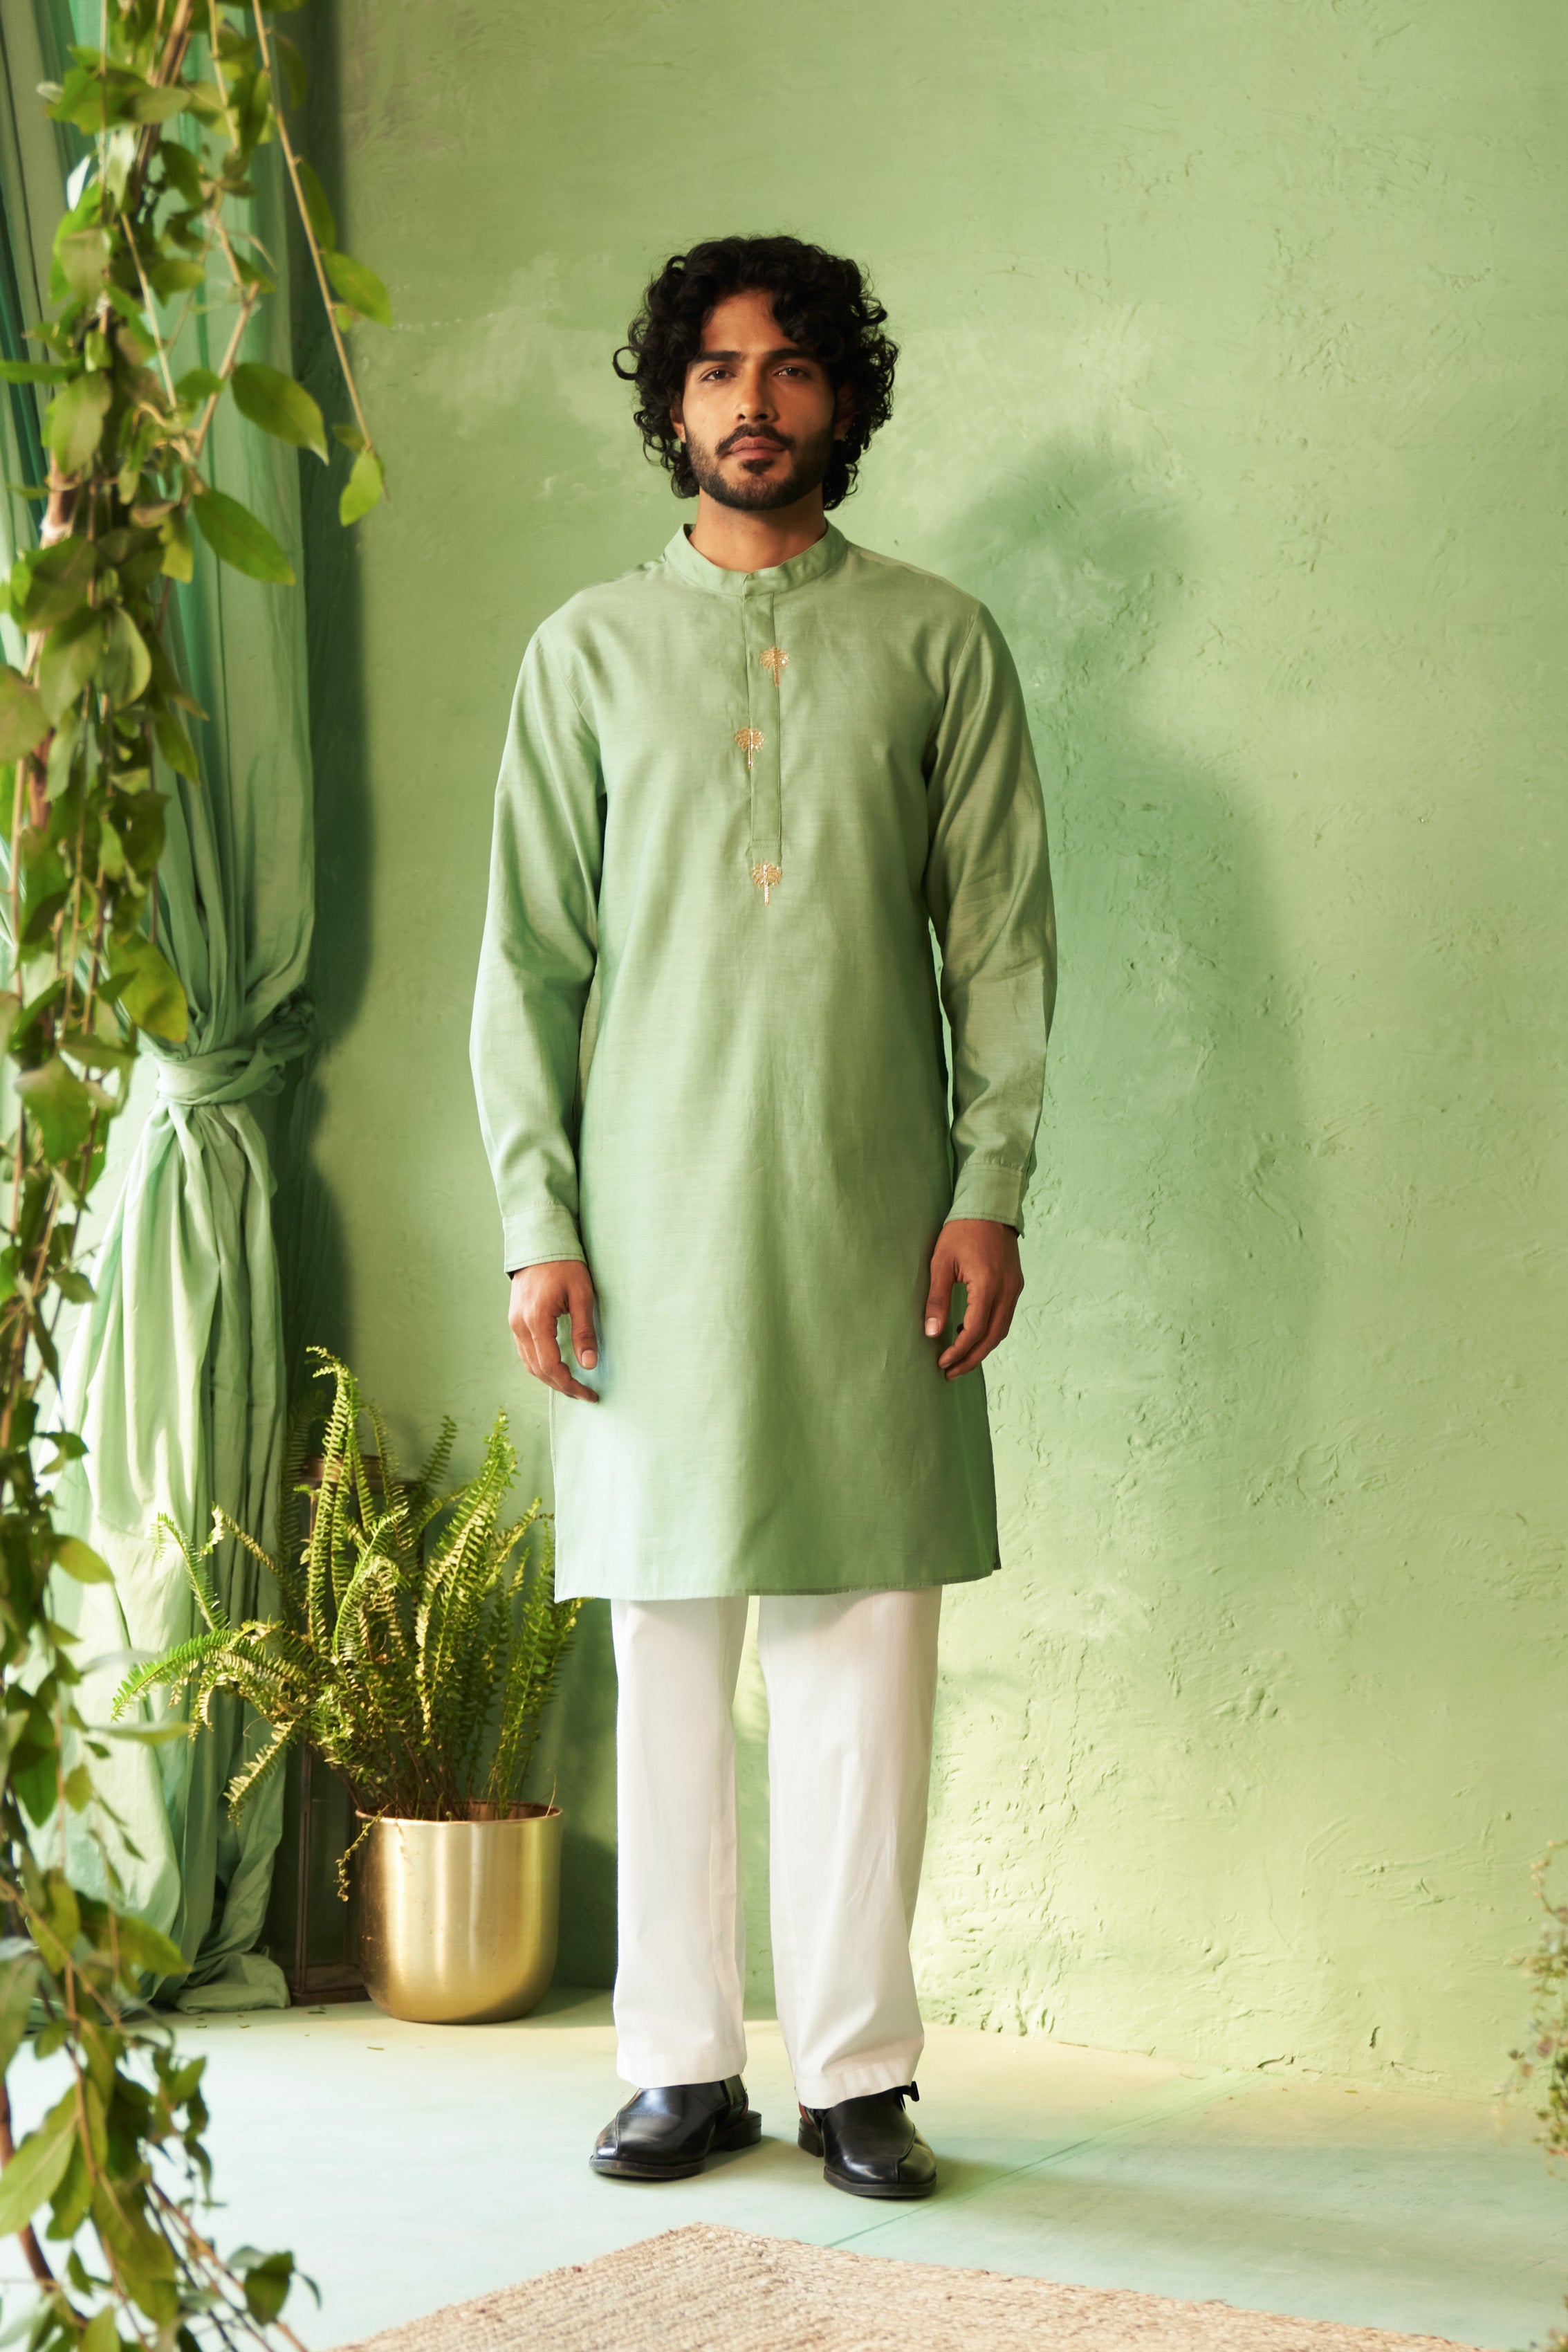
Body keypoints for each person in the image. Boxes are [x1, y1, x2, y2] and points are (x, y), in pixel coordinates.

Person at [470, 234, 1055, 2200]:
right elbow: (525, 966)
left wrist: (988, 1189)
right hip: (647, 1231)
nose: (753, 401)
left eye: (792, 367)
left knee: (864, 1644)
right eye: (717, 369)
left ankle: (859, 2074)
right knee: (666, 1647)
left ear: (843, 401)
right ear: (670, 404)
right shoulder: (587, 653)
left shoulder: (938, 642)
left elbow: (1000, 949)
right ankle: (677, 2066)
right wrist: (539, 1225)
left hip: (876, 1214)